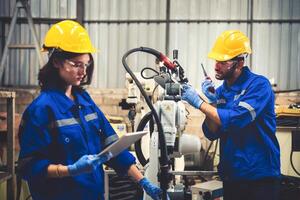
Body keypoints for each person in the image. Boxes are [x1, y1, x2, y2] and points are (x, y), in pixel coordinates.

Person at [18, 20, 163, 200]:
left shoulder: (85, 101)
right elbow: (29, 166)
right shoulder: (41, 109)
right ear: (56, 61)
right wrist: (69, 170)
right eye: (76, 64)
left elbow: (111, 146)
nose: (83, 71)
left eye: (86, 64)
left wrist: (143, 182)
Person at [181, 30, 281, 200]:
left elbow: (236, 119)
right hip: (232, 176)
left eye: (222, 61)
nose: (216, 66)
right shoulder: (221, 91)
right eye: (215, 60)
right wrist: (212, 100)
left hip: (260, 177)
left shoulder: (258, 86)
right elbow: (212, 133)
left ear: (239, 63)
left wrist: (199, 103)